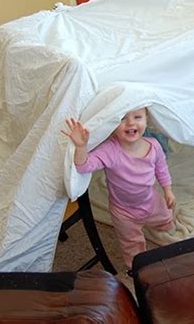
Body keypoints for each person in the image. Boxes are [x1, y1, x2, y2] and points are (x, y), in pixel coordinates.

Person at [61, 107, 177, 270]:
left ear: (147, 120)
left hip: (150, 200)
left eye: (137, 117)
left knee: (165, 216)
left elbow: (161, 168)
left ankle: (166, 226)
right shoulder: (110, 149)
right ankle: (136, 267)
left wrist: (167, 190)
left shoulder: (154, 145)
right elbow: (83, 166)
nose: (130, 123)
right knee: (130, 243)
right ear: (112, 124)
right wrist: (81, 146)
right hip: (123, 211)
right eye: (122, 118)